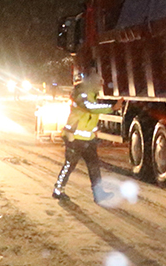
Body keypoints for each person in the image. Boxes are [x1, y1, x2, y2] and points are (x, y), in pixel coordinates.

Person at [52, 65, 122, 204]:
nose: (100, 87)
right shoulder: (82, 94)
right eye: (98, 84)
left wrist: (94, 130)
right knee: (69, 165)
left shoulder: (90, 95)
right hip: (74, 138)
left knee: (94, 166)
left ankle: (99, 194)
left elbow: (89, 117)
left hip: (87, 139)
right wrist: (112, 108)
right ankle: (58, 190)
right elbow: (90, 108)